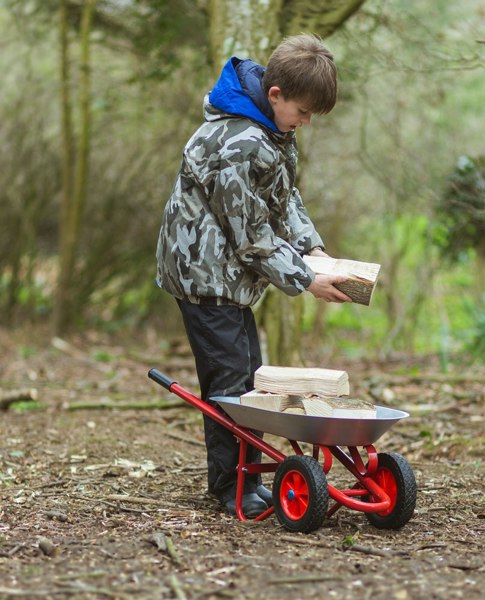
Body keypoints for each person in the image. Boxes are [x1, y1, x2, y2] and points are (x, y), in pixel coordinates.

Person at [155, 34, 351, 518]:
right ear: (276, 93)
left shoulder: (273, 130)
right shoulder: (238, 144)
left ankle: (245, 477)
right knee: (231, 381)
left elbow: (285, 200)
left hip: (230, 275)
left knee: (249, 378)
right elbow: (253, 236)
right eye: (303, 112)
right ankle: (231, 489)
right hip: (203, 274)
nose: (305, 123)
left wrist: (313, 249)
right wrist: (306, 279)